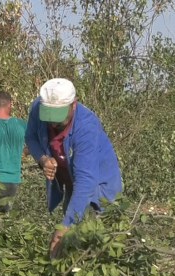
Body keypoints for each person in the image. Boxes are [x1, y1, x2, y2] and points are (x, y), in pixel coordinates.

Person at [25, 78, 123, 258]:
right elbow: (30, 137)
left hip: (97, 188)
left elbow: (86, 182)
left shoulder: (86, 126)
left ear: (74, 105)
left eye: (58, 119)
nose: (53, 125)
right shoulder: (38, 109)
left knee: (88, 242)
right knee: (68, 241)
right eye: (49, 118)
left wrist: (64, 228)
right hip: (72, 184)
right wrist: (43, 158)